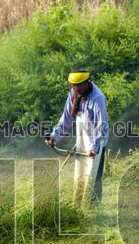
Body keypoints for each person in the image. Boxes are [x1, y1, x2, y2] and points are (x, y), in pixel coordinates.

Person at [44, 70, 109, 204]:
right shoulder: (74, 95)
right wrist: (53, 137)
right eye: (73, 85)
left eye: (79, 85)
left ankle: (93, 206)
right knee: (80, 173)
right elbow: (66, 120)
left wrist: (95, 148)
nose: (76, 88)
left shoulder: (97, 98)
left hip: (97, 142)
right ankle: (78, 202)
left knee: (93, 174)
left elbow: (100, 126)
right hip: (82, 140)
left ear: (87, 82)